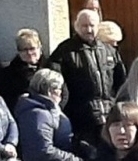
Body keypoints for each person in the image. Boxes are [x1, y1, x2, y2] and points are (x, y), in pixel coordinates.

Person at [50, 9, 126, 147]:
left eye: (92, 25)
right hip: (81, 119)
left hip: (109, 115)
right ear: (76, 26)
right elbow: (58, 83)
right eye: (84, 26)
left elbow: (121, 81)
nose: (89, 30)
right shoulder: (65, 51)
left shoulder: (109, 51)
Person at [15, 70, 87, 161]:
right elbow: (44, 151)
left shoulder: (49, 110)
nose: (61, 93)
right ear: (50, 90)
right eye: (59, 89)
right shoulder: (37, 114)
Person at [0, 29, 48, 110]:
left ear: (40, 48)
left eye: (32, 48)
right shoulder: (7, 74)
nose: (29, 53)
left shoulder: (51, 68)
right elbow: (7, 100)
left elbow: (63, 94)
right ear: (18, 51)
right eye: (24, 49)